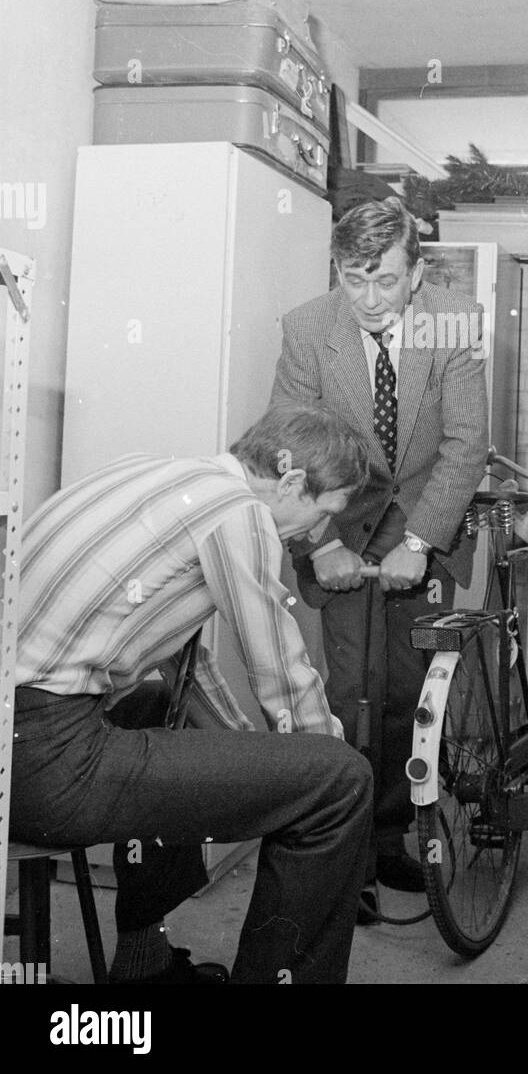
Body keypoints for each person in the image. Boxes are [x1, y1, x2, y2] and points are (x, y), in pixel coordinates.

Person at [11, 405, 373, 985]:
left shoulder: (158, 475)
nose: (314, 536)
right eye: (321, 515)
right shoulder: (240, 512)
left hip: (16, 742)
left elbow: (190, 674)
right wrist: (323, 765)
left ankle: (142, 962)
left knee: (160, 709)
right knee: (341, 783)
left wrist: (257, 770)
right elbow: (280, 672)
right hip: (46, 761)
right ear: (292, 481)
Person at [270, 196, 489, 916]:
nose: (368, 299)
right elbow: (288, 448)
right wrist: (322, 541)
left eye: (386, 281)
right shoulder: (307, 328)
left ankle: (392, 834)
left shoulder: (453, 321)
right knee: (343, 691)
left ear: (417, 272)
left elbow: (465, 446)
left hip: (420, 516)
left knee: (403, 691)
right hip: (340, 519)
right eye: (353, 278)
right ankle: (345, 851)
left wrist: (421, 541)